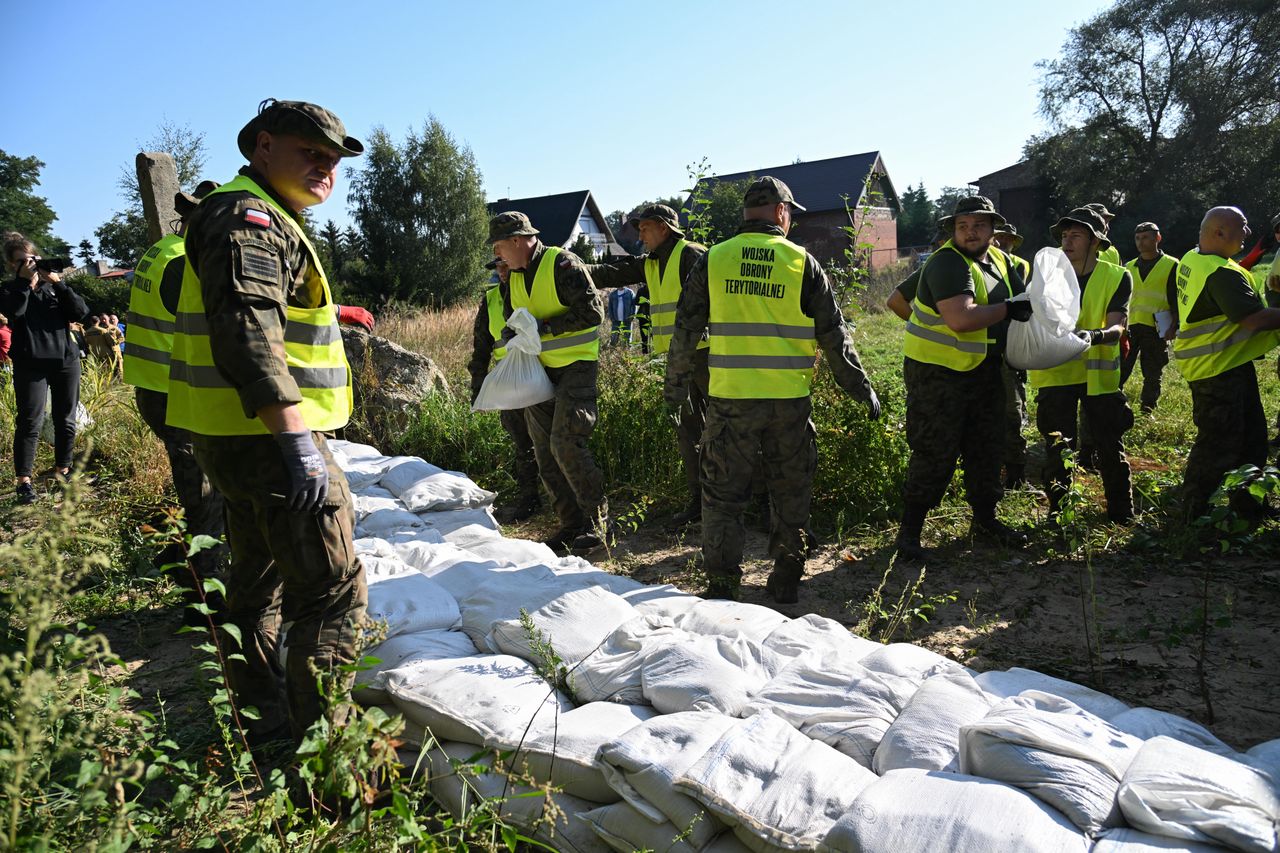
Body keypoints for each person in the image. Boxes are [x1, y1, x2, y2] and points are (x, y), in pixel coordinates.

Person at [164, 98, 368, 744]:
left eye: (332, 159)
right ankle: (326, 757)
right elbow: (250, 334)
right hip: (272, 444)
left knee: (254, 586)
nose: (324, 166)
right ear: (263, 147)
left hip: (238, 441)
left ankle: (266, 728)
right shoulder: (249, 216)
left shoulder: (258, 215)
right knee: (331, 592)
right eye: (310, 151)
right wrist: (299, 446)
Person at [665, 176, 880, 603]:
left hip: (729, 403)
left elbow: (684, 332)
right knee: (790, 492)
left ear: (746, 213)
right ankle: (785, 582)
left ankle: (723, 586)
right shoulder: (801, 263)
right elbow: (834, 336)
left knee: (723, 498)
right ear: (782, 211)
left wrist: (673, 393)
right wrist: (861, 389)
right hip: (789, 405)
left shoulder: (713, 260)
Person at [893, 196, 1031, 562]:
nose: (970, 232)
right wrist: (1008, 310)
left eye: (979, 225)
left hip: (983, 370)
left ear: (992, 229)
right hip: (938, 376)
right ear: (953, 229)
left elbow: (1027, 299)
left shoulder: (1000, 260)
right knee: (935, 452)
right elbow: (961, 319)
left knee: (986, 447)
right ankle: (909, 534)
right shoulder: (947, 264)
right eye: (963, 226)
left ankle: (986, 520)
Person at [123, 181, 227, 590]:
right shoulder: (185, 261)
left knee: (194, 482)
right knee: (205, 493)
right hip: (176, 392)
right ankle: (207, 587)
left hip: (155, 388)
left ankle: (175, 556)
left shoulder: (160, 251)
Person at [488, 211, 610, 555]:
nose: (498, 254)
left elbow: (593, 313)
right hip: (539, 372)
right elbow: (519, 319)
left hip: (575, 368)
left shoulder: (562, 264)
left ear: (517, 240)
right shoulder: (511, 276)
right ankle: (570, 525)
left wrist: (543, 327)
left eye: (499, 246)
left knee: (565, 443)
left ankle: (597, 525)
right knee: (544, 451)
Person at [588, 204, 709, 524]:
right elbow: (610, 273)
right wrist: (571, 267)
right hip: (675, 360)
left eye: (644, 228)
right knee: (687, 432)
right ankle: (699, 502)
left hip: (706, 357)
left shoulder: (691, 255)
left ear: (664, 228)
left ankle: (740, 500)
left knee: (723, 429)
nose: (639, 234)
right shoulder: (652, 263)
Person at [1171, 206, 1280, 523]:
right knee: (1219, 444)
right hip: (1217, 371)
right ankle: (1192, 514)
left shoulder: (1194, 258)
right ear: (1219, 232)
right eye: (1242, 226)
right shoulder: (1221, 273)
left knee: (1253, 439)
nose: (1248, 233)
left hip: (1226, 364)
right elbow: (1253, 319)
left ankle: (1249, 507)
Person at [1029, 207, 1134, 524]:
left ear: (1095, 241)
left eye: (1076, 235)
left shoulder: (1117, 276)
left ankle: (1121, 512)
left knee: (1109, 445)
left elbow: (1118, 329)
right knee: (1058, 447)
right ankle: (1058, 513)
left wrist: (1095, 335)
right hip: (1056, 374)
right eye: (1064, 235)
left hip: (1098, 377)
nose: (1067, 241)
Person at [1, 235, 93, 505]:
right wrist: (24, 283)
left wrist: (59, 283)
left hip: (66, 360)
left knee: (66, 418)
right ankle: (24, 481)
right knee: (30, 420)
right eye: (23, 262)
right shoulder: (9, 290)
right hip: (31, 363)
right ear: (11, 265)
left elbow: (80, 312)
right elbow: (14, 312)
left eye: (33, 260)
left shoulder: (53, 288)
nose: (30, 265)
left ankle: (63, 470)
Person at [467, 255, 541, 523]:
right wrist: (478, 389)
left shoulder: (534, 291)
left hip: (542, 378)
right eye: (497, 267)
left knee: (549, 443)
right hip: (510, 383)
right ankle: (529, 498)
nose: (501, 271)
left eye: (505, 265)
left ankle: (559, 498)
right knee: (522, 444)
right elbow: (481, 348)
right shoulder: (490, 300)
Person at [1120, 222, 1178, 412]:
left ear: (1157, 238)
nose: (1140, 242)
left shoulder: (1172, 265)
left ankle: (1148, 408)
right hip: (1131, 326)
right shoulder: (1129, 266)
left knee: (1153, 371)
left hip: (1157, 327)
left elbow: (1176, 298)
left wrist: (1173, 326)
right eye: (1137, 238)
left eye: (1145, 237)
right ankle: (1115, 404)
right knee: (1121, 369)